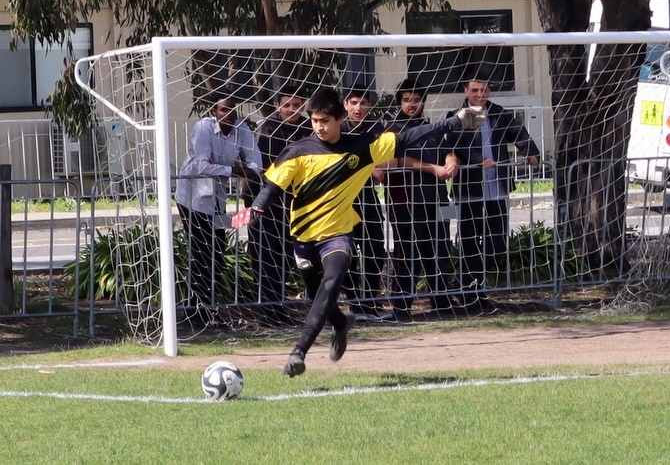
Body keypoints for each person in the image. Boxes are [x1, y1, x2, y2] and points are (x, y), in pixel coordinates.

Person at [232, 87, 486, 377]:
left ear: (340, 118)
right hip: (303, 238)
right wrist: (257, 209)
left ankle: (298, 351)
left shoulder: (362, 147)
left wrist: (456, 121)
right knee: (317, 297)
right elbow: (272, 187)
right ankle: (340, 324)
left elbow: (410, 136)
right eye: (315, 120)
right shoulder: (297, 152)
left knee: (330, 283)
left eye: (325, 120)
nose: (319, 126)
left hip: (338, 235)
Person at [446, 67, 540, 312]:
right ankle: (472, 291)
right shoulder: (458, 115)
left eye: (484, 89)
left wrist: (530, 152)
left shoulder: (498, 113)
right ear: (465, 91)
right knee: (469, 240)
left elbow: (518, 133)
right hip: (470, 188)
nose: (480, 94)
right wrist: (477, 159)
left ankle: (465, 282)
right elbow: (454, 146)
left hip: (496, 189)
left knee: (496, 241)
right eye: (475, 89)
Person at [174, 92, 261, 326]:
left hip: (218, 201)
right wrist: (235, 169)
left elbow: (256, 162)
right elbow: (202, 165)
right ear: (214, 112)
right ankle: (194, 312)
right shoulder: (203, 128)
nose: (229, 114)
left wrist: (243, 169)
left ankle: (209, 309)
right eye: (223, 110)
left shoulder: (242, 130)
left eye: (232, 110)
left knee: (217, 253)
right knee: (201, 253)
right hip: (192, 198)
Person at [384, 78, 463, 320]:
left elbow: (448, 151)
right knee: (407, 252)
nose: (412, 104)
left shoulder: (433, 128)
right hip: (405, 200)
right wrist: (432, 168)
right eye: (407, 100)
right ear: (399, 102)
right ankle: (401, 306)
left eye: (416, 100)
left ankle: (441, 301)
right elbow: (397, 162)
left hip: (436, 198)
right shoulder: (392, 131)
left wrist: (451, 162)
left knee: (438, 249)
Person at [241, 86, 311, 326]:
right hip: (264, 201)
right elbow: (260, 170)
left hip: (291, 203)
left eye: (297, 105)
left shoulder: (307, 127)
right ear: (278, 106)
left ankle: (279, 309)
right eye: (287, 105)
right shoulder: (267, 130)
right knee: (265, 255)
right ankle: (268, 312)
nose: (292, 110)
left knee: (283, 256)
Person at [339, 84, 392, 320]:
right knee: (345, 252)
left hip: (367, 198)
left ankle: (370, 300)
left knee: (375, 249)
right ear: (345, 105)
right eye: (353, 102)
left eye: (363, 103)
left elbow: (386, 156)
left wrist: (377, 167)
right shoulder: (337, 128)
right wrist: (369, 167)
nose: (358, 107)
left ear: (369, 105)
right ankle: (353, 302)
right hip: (342, 200)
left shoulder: (376, 129)